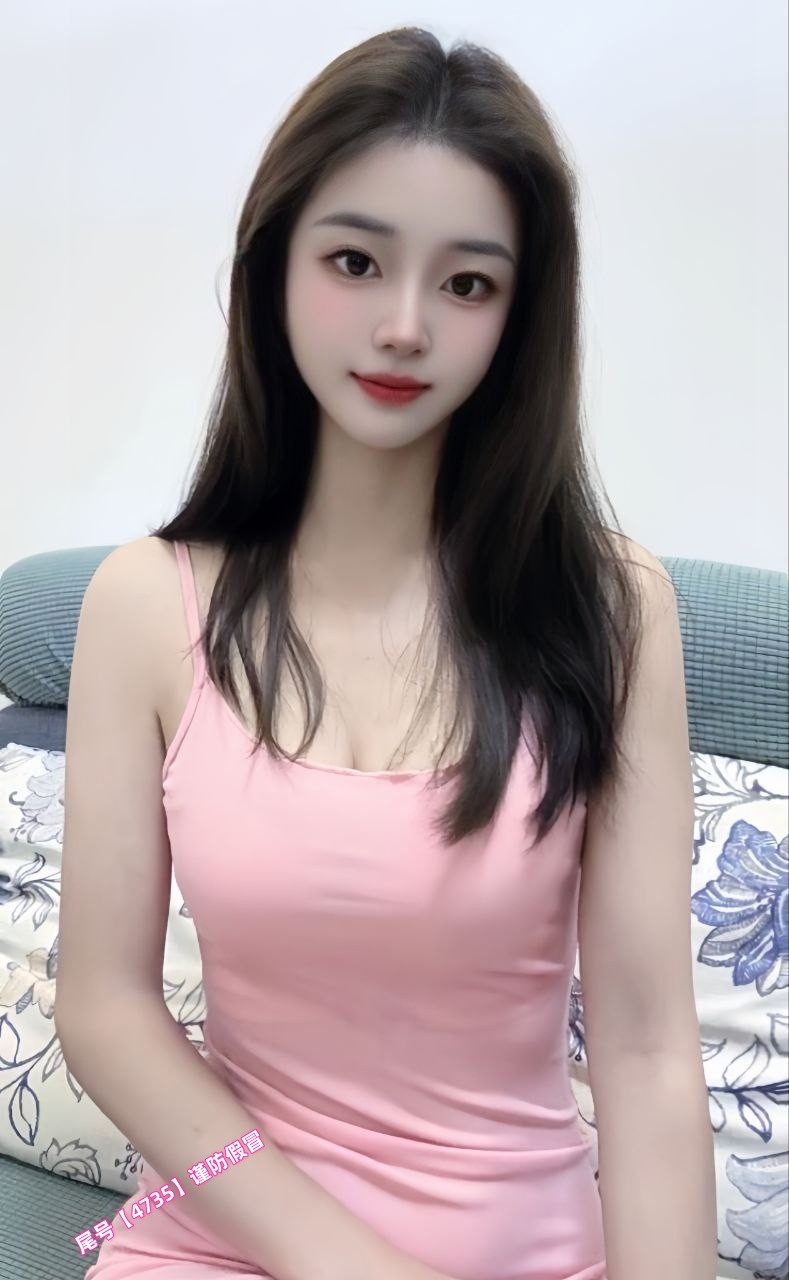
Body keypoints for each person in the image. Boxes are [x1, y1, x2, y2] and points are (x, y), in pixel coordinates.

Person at [55, 24, 717, 1280]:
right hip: (221, 1240)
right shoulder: (143, 604)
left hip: (521, 1248)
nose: (404, 325)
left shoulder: (612, 607)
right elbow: (104, 1005)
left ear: (522, 314)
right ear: (273, 269)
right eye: (355, 261)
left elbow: (645, 1047)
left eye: (467, 284)